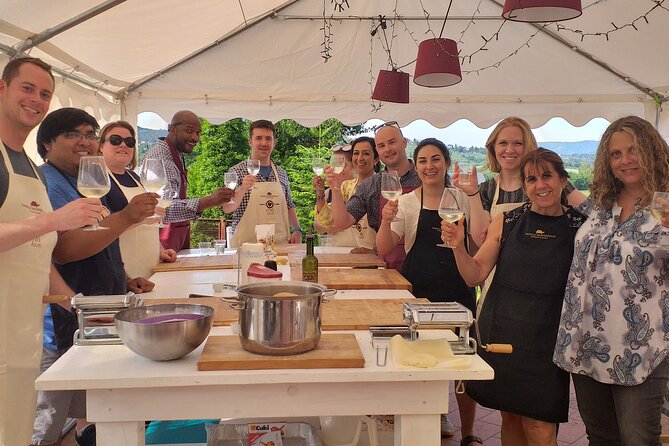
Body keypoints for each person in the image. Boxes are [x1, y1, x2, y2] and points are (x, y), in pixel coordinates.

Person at [443, 148, 587, 446]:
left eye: (547, 176)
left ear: (563, 179)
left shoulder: (581, 226)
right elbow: (475, 275)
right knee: (510, 416)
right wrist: (458, 246)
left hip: (549, 339)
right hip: (505, 333)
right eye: (532, 179)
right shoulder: (506, 221)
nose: (540, 185)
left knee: (540, 425)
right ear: (524, 185)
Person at [33, 107, 158, 446]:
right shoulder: (48, 182)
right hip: (64, 313)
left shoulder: (87, 181)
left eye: (89, 134)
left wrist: (126, 275)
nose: (84, 142)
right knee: (47, 419)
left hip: (98, 306)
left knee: (93, 402)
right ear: (47, 143)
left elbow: (100, 235)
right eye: (73, 134)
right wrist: (127, 217)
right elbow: (64, 249)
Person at [0, 57, 102, 446]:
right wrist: (54, 221)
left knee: (19, 428)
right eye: (28, 88)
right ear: (2, 89)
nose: (37, 100)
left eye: (45, 94)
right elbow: (46, 231)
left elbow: (35, 250)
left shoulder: (24, 162)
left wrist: (73, 302)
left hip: (24, 330)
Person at [553, 116, 669, 446]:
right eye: (616, 154)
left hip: (641, 346)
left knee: (638, 439)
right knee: (601, 437)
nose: (624, 160)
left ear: (652, 151)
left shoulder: (666, 202)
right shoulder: (603, 204)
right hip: (585, 339)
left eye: (633, 150)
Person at [376, 138, 481, 446]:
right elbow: (383, 248)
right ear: (416, 166)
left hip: (458, 290)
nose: (429, 166)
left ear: (446, 163)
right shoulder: (407, 202)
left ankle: (470, 432)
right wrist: (384, 221)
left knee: (463, 364)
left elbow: (477, 243)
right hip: (418, 294)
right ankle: (424, 420)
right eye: (422, 160)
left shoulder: (463, 199)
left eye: (435, 159)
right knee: (417, 358)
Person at [454, 117, 586, 312]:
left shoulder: (554, 184)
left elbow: (592, 211)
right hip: (500, 281)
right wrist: (473, 194)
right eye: (503, 143)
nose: (510, 150)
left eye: (518, 143)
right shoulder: (486, 189)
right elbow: (483, 241)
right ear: (493, 149)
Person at [328, 121, 421, 270]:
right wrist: (336, 189)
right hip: (388, 268)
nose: (387, 149)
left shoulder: (424, 177)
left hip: (425, 266)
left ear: (404, 143)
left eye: (392, 142)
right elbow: (342, 222)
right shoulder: (370, 185)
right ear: (377, 150)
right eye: (382, 145)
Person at [143, 110, 233, 252]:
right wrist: (210, 201)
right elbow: (164, 209)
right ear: (172, 129)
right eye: (189, 131)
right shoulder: (160, 158)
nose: (195, 138)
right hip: (162, 243)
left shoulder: (176, 154)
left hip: (176, 238)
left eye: (198, 133)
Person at [98, 120, 177, 278]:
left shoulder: (134, 177)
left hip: (150, 267)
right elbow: (101, 230)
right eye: (115, 140)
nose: (123, 145)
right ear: (100, 146)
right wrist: (142, 220)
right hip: (124, 272)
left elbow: (147, 224)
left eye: (129, 142)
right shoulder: (99, 181)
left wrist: (160, 250)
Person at [223, 119, 302, 246]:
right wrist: (242, 189)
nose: (264, 143)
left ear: (274, 143)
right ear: (250, 142)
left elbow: (289, 205)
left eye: (268, 139)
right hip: (247, 247)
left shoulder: (281, 174)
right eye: (258, 138)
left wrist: (297, 229)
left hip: (278, 246)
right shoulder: (236, 171)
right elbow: (227, 208)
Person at [313, 137, 378, 251]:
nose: (360, 158)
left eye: (366, 153)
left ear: (376, 159)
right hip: (343, 252)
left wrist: (375, 251)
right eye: (356, 153)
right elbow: (328, 220)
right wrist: (320, 193)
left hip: (373, 254)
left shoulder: (382, 185)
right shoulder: (346, 186)